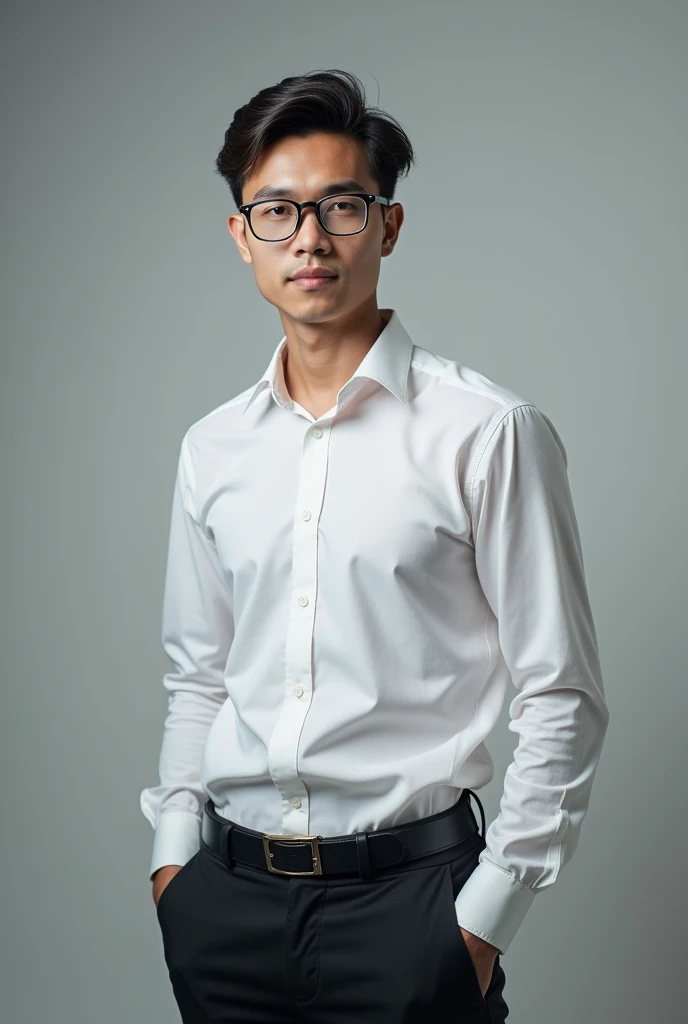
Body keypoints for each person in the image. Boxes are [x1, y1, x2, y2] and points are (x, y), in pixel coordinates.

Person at [140, 68, 610, 1023]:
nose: (308, 238)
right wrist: (172, 867)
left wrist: (482, 920)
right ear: (242, 236)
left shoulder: (488, 431)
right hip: (224, 902)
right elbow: (199, 677)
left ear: (387, 227)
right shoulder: (212, 447)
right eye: (276, 211)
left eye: (340, 206)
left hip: (414, 907)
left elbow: (561, 692)